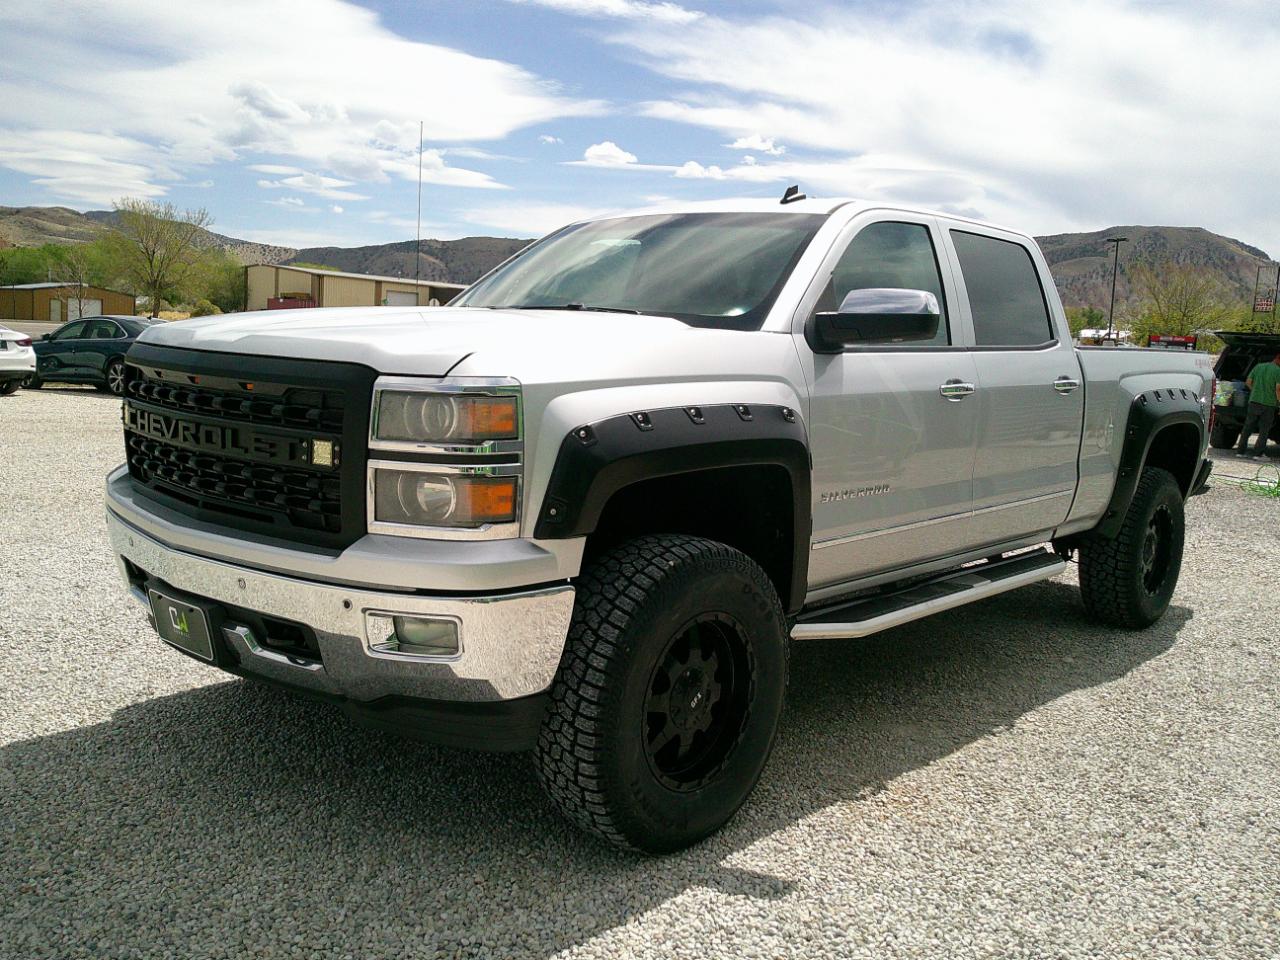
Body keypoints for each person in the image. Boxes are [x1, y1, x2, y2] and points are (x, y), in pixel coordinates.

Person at [1236, 349, 1280, 459]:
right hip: (1269, 404)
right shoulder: (1278, 371)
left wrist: (1255, 390)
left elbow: (1248, 382)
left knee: (1247, 427)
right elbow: (1278, 389)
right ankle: (1258, 454)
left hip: (1254, 401)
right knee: (1264, 430)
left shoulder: (1258, 366)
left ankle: (1240, 452)